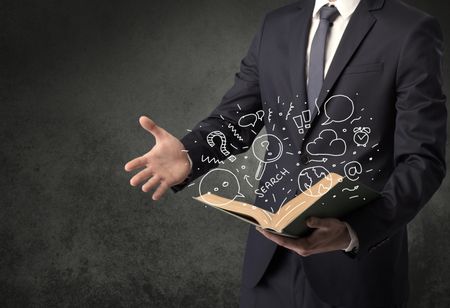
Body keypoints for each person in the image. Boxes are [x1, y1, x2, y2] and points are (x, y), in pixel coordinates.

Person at [124, 0, 447, 307]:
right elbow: (236, 118)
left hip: (356, 271)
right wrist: (189, 154)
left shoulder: (410, 30)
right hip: (268, 267)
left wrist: (355, 232)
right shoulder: (275, 25)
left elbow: (422, 161)